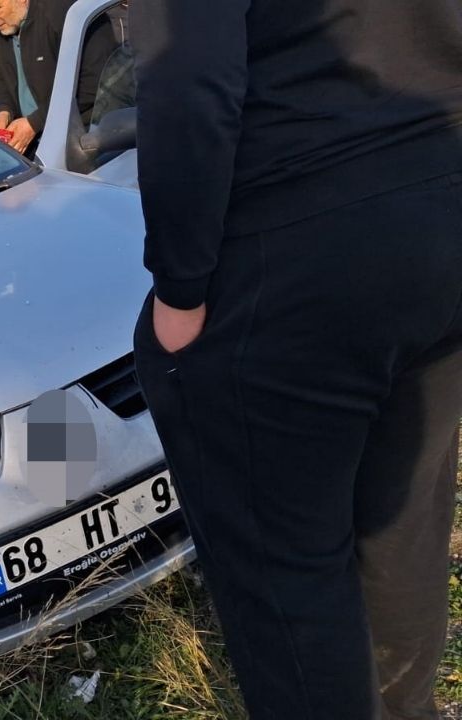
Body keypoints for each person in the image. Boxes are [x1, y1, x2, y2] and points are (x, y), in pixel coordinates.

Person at [130, 0, 462, 717]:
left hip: (294, 246)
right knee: (403, 523)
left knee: (289, 578)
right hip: (441, 208)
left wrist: (180, 292)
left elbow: (188, 73)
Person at [0, 0, 116, 156]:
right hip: (33, 148)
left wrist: (35, 122)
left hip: (86, 144)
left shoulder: (67, 14)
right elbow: (1, 76)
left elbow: (95, 82)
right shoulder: (3, 26)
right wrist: (2, 112)